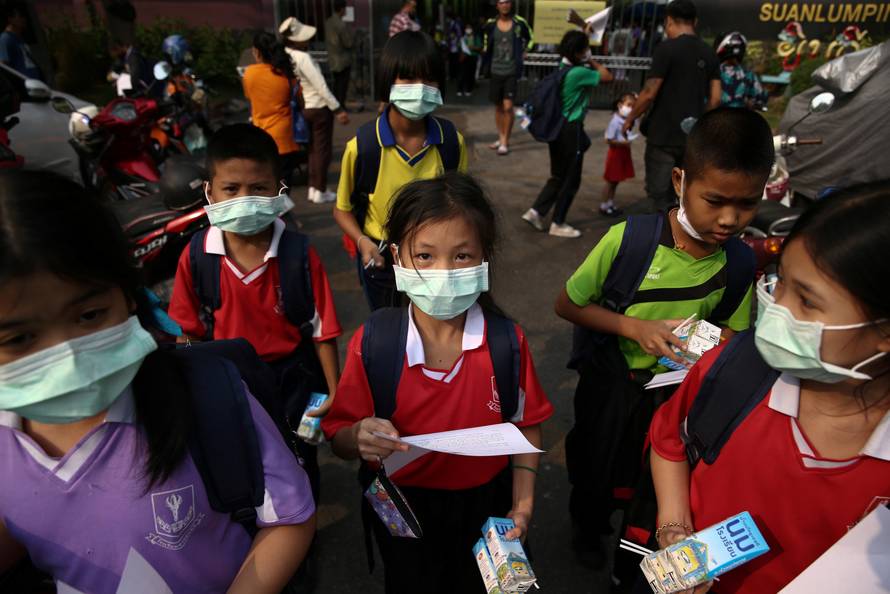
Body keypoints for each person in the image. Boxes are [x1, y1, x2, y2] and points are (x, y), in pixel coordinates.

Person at [0, 170, 316, 592]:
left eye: (89, 316)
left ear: (129, 295)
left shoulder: (206, 396)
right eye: (19, 339)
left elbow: (288, 517)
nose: (68, 360)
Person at [554, 108, 773, 567]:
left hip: (674, 398)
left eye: (747, 204)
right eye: (715, 201)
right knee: (595, 465)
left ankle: (630, 557)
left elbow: (732, 334)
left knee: (648, 484)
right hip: (611, 385)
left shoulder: (737, 264)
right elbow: (568, 304)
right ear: (679, 181)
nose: (730, 219)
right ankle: (586, 529)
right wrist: (635, 328)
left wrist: (704, 340)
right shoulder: (628, 241)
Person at [650, 181, 890, 594]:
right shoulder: (733, 369)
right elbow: (669, 440)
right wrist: (673, 525)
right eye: (780, 282)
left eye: (807, 301)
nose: (777, 308)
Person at [323, 172, 553, 594]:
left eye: (462, 256)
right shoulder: (375, 342)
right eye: (425, 256)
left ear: (484, 258)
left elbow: (526, 425)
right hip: (401, 503)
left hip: (486, 503)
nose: (443, 272)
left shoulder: (506, 342)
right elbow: (339, 437)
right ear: (397, 256)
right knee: (410, 581)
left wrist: (522, 505)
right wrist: (358, 436)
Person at [168, 124, 342, 501]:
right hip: (229, 381)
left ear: (279, 189)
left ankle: (305, 518)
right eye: (231, 189)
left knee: (302, 456)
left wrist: (333, 391)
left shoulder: (299, 254)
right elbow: (187, 334)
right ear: (210, 192)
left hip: (296, 381)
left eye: (258, 188)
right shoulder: (197, 256)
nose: (245, 199)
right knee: (242, 460)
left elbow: (323, 331)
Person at [332, 31, 468, 312]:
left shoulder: (451, 143)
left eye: (429, 79)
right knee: (389, 326)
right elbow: (342, 209)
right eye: (408, 78)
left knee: (433, 326)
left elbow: (461, 203)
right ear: (388, 81)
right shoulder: (363, 147)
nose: (420, 88)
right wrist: (362, 242)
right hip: (382, 258)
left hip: (434, 261)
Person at [621, 0, 721, 213]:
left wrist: (630, 118)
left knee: (658, 195)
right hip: (692, 138)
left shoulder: (666, 49)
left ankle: (660, 231)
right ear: (695, 21)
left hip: (663, 136)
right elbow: (715, 99)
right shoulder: (709, 53)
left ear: (669, 20)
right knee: (685, 193)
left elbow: (649, 92)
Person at [521, 31, 612, 238]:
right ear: (580, 52)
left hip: (557, 129)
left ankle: (536, 212)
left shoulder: (562, 68)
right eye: (585, 48)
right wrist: (592, 60)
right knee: (571, 179)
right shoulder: (579, 73)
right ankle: (558, 222)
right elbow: (608, 76)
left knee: (558, 175)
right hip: (571, 129)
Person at [280, 17, 350, 205]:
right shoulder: (303, 57)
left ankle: (313, 188)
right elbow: (321, 86)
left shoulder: (286, 55)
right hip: (319, 108)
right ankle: (320, 190)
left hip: (304, 108)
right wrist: (337, 109)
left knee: (312, 150)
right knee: (322, 151)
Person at [242, 32, 304, 188]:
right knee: (283, 186)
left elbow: (249, 96)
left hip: (261, 139)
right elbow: (300, 99)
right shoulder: (287, 74)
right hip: (285, 138)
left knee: (264, 188)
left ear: (257, 52)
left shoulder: (249, 73)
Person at [482, 0, 533, 156]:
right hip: (495, 71)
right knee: (498, 107)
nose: (504, 5)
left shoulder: (519, 22)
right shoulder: (491, 24)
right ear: (497, 5)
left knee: (508, 107)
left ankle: (505, 141)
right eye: (501, 2)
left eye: (507, 2)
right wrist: (485, 55)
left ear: (510, 4)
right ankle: (501, 136)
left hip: (511, 71)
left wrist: (525, 50)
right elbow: (486, 41)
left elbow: (531, 37)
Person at [600, 93, 638, 217]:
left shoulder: (626, 120)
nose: (630, 108)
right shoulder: (615, 122)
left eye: (633, 106)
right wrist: (623, 143)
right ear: (620, 105)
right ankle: (604, 205)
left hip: (623, 153)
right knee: (611, 181)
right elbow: (608, 139)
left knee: (616, 181)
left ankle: (610, 203)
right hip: (616, 154)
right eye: (628, 105)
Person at [716, 32, 769, 110]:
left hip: (718, 116)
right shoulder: (748, 74)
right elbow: (761, 98)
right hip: (738, 116)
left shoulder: (713, 71)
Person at [325, 0, 355, 109]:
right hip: (342, 59)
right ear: (341, 9)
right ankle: (341, 106)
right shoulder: (341, 24)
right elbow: (348, 43)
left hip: (332, 58)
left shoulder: (328, 22)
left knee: (336, 84)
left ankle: (336, 105)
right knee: (342, 85)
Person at [0, 3, 41, 81]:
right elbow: (3, 66)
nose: (23, 19)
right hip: (24, 84)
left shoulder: (19, 38)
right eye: (20, 16)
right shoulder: (5, 39)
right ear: (10, 19)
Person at [457, 23, 482, 97]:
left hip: (473, 57)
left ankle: (469, 89)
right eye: (467, 28)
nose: (468, 30)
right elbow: (459, 46)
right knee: (462, 74)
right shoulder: (462, 38)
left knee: (471, 74)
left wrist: (473, 47)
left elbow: (480, 46)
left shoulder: (476, 37)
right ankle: (460, 89)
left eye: (469, 28)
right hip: (464, 57)